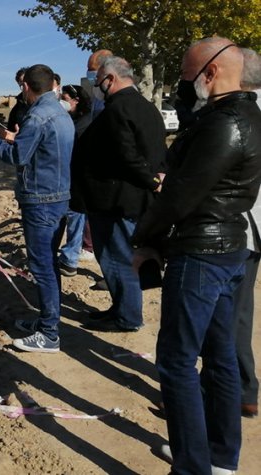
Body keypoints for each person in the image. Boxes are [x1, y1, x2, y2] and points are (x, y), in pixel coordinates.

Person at [131, 37, 261, 475]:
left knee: (177, 360)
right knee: (221, 355)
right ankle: (219, 457)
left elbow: (182, 197)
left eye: (186, 77)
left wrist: (143, 238)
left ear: (210, 74)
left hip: (203, 252)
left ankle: (193, 465)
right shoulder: (240, 114)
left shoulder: (226, 122)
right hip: (226, 249)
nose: (182, 88)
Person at [0, 64, 75, 353]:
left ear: (26, 87)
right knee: (50, 264)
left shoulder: (37, 116)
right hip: (58, 198)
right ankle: (48, 321)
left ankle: (49, 334)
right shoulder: (61, 112)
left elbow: (19, 156)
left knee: (42, 267)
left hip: (40, 201)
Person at [71, 56, 166, 332]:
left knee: (118, 259)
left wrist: (151, 182)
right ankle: (120, 308)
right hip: (128, 199)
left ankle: (127, 317)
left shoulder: (118, 110)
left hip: (115, 201)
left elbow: (127, 156)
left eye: (98, 80)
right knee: (119, 258)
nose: (96, 86)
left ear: (110, 79)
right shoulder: (146, 108)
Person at [234, 46, 261, 419]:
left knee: (229, 314)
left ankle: (238, 389)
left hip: (241, 226)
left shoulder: (246, 114)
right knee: (238, 311)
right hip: (247, 226)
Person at [57, 84, 93, 277]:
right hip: (70, 176)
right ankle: (68, 256)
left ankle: (71, 259)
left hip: (78, 178)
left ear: (76, 100)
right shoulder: (71, 119)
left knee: (76, 217)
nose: (61, 102)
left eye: (65, 98)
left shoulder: (84, 123)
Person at [6, 66, 30, 132]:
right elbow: (11, 130)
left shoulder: (45, 105)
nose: (26, 88)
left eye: (28, 83)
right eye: (22, 85)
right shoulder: (16, 109)